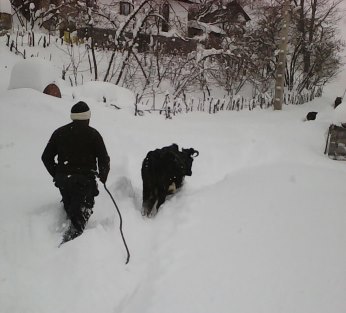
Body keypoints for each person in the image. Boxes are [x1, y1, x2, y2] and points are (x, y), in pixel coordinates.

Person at [42, 101, 110, 243]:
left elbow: (46, 157)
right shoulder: (93, 134)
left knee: (71, 206)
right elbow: (104, 159)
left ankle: (69, 220)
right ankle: (68, 249)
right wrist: (103, 176)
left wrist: (57, 174)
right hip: (85, 183)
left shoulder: (59, 133)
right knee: (79, 223)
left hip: (64, 181)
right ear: (87, 117)